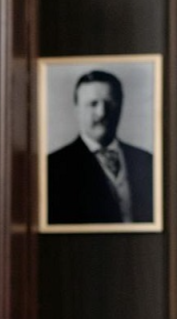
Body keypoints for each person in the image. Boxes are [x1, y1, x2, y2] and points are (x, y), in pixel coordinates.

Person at [46, 70, 154, 225]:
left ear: (121, 105)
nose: (102, 112)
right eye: (93, 104)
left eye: (109, 103)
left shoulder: (146, 160)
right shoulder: (53, 167)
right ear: (77, 108)